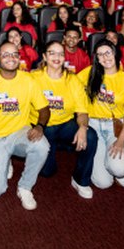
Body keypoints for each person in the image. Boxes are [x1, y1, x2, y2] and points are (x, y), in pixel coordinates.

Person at [0, 42, 51, 210]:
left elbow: (44, 109)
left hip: (18, 133)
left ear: (19, 59)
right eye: (5, 55)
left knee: (42, 146)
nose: (11, 58)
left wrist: (40, 126)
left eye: (14, 54)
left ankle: (25, 187)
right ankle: (5, 161)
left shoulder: (28, 80)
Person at [34, 41, 97, 198]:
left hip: (65, 124)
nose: (57, 57)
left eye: (61, 54)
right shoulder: (33, 77)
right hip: (42, 127)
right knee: (47, 172)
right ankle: (58, 146)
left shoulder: (73, 80)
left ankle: (80, 179)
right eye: (52, 53)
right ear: (44, 56)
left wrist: (82, 128)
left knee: (90, 136)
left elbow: (82, 111)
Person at [79, 39, 124, 190]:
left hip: (116, 126)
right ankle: (109, 161)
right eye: (100, 55)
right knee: (102, 183)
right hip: (94, 126)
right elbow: (68, 81)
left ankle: (123, 172)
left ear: (115, 53)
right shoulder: (89, 73)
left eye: (108, 53)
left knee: (119, 169)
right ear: (97, 59)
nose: (105, 57)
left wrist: (121, 140)